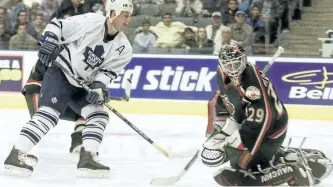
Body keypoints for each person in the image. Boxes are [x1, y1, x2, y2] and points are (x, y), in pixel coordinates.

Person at [4, 0, 133, 178]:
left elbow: (106, 73)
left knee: (99, 115)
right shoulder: (90, 22)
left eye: (130, 16)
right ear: (113, 14)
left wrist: (99, 87)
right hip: (61, 74)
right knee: (48, 115)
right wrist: (50, 40)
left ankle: (87, 157)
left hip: (82, 85)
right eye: (125, 15)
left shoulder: (124, 48)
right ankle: (16, 154)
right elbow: (58, 25)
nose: (129, 20)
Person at [201, 44, 332, 186]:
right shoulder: (222, 72)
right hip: (254, 122)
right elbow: (222, 98)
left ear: (244, 60)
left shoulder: (252, 87)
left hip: (271, 128)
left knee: (241, 171)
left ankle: (292, 171)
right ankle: (280, 157)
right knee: (238, 162)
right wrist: (218, 132)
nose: (233, 69)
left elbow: (262, 121)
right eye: (229, 65)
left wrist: (231, 142)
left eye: (237, 64)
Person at [22, 59, 85, 154]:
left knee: (87, 111)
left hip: (56, 90)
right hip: (37, 87)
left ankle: (79, 143)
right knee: (41, 122)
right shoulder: (63, 52)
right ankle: (20, 150)